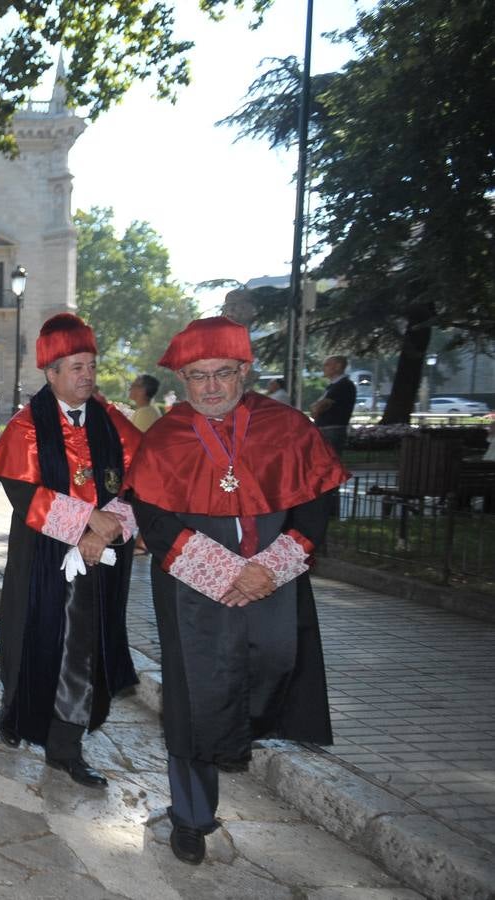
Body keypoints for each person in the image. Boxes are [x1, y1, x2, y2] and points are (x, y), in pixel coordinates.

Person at [124, 316, 346, 866]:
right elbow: (154, 520)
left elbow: (316, 506)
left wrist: (268, 569)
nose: (212, 387)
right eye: (198, 376)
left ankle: (240, 742)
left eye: (223, 373)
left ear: (244, 371)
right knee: (190, 698)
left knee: (270, 665)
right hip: (191, 590)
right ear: (182, 380)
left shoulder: (289, 428)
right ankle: (191, 815)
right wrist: (223, 574)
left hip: (273, 579)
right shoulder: (166, 437)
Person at [0, 313, 141, 790]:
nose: (87, 375)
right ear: (51, 373)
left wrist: (104, 532)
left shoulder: (112, 421)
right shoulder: (27, 425)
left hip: (102, 560)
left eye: (91, 365)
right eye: (76, 367)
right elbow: (22, 493)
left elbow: (140, 480)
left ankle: (65, 747)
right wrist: (85, 519)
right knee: (30, 642)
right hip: (41, 560)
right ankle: (15, 712)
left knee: (82, 650)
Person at [309, 355, 357, 455]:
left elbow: (320, 406)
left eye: (327, 365)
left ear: (338, 366)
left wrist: (316, 408)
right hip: (328, 429)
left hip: (332, 430)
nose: (324, 368)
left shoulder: (343, 385)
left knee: (329, 460)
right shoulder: (333, 385)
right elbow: (316, 407)